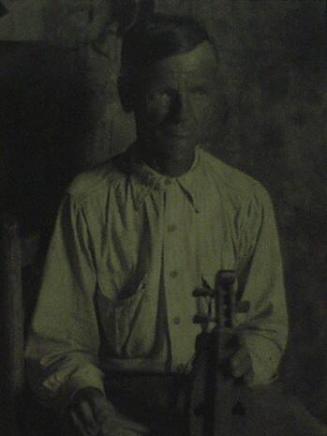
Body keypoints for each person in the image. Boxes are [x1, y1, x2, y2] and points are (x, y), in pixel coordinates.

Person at [25, 14, 326, 436]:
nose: (182, 113)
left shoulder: (246, 200)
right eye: (163, 93)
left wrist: (249, 356)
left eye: (198, 92)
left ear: (216, 97)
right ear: (127, 94)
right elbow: (57, 339)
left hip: (225, 395)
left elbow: (266, 328)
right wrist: (85, 396)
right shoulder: (88, 200)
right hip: (122, 396)